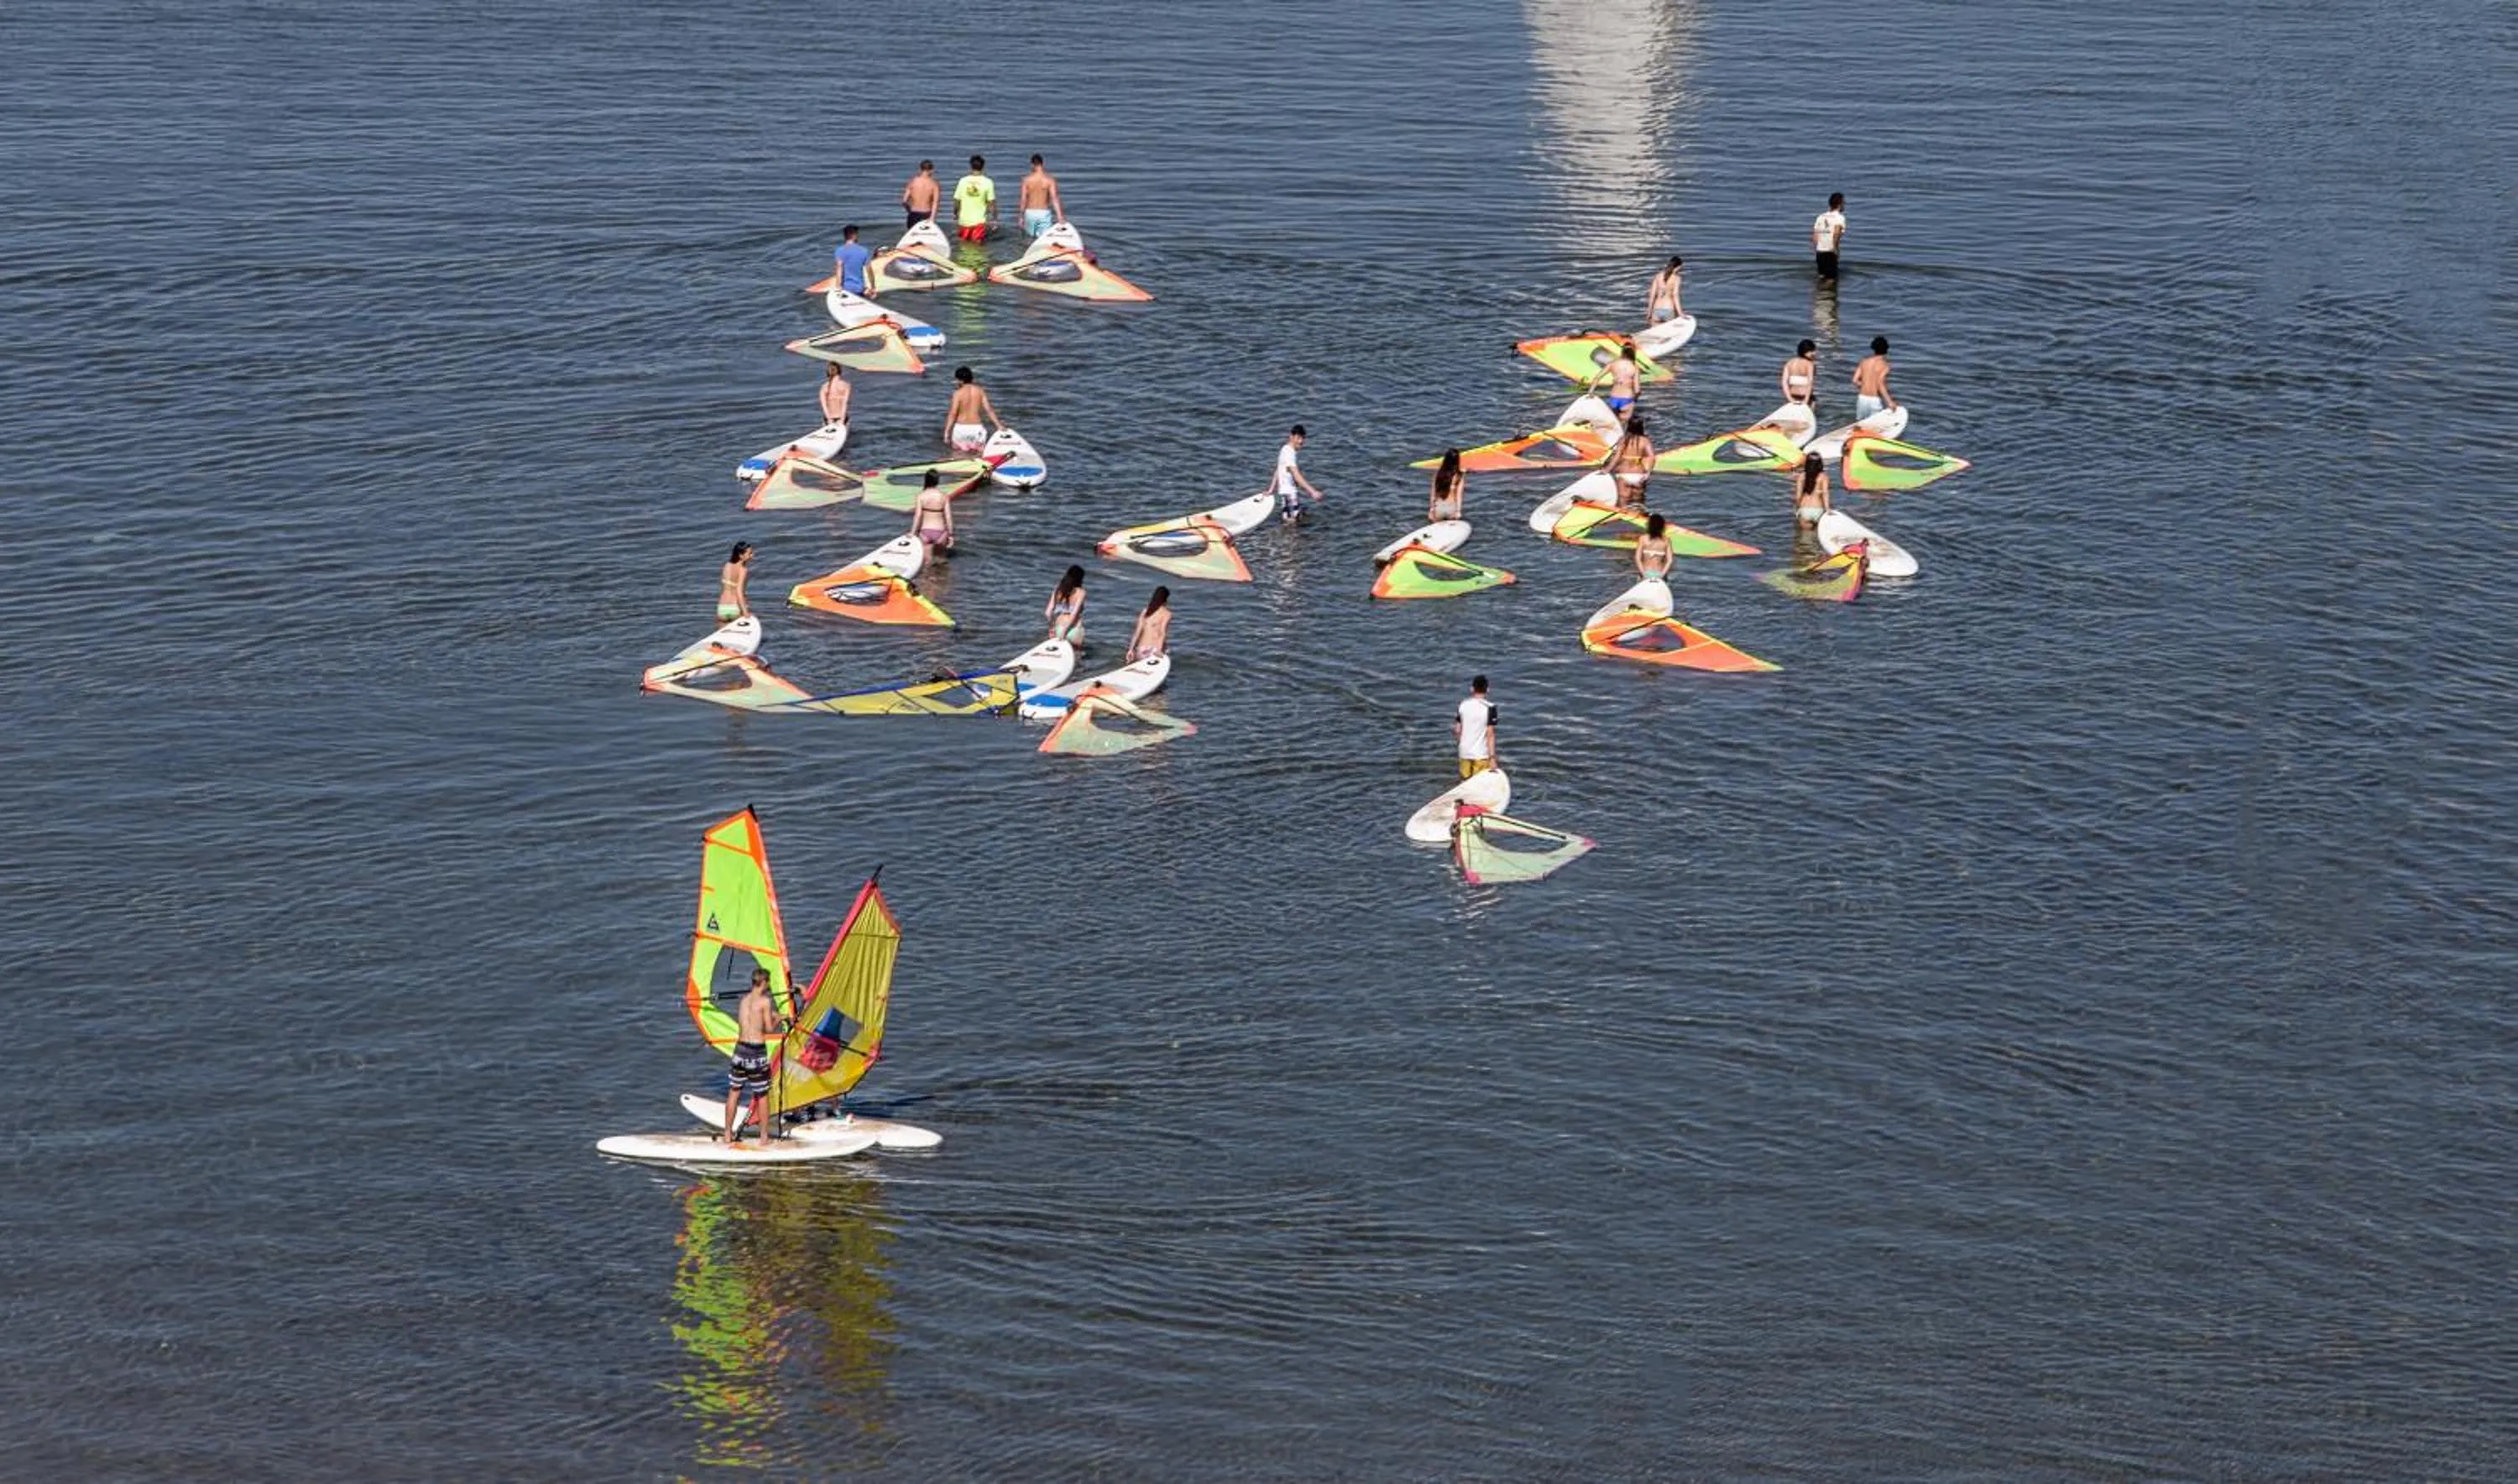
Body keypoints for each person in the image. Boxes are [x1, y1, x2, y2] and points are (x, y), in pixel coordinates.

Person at [720, 967, 787, 1147]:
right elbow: (768, 1028)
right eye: (769, 983)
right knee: (762, 1095)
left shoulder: (744, 1001)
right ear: (764, 982)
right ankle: (764, 1138)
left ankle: (727, 1134)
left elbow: (751, 1019)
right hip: (756, 1053)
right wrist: (779, 1018)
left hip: (739, 1051)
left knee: (734, 1092)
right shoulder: (765, 1001)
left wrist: (770, 1014)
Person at [1268, 425, 1324, 523]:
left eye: (1303, 438)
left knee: (1291, 523)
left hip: (1286, 493)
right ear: (1291, 437)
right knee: (1292, 526)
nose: (1301, 441)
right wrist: (1312, 492)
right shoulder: (1289, 452)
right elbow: (1296, 474)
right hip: (1290, 493)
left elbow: (1278, 470)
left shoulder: (1284, 449)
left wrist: (1271, 490)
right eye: (1298, 438)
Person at [943, 365, 1000, 452]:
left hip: (961, 429)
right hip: (976, 429)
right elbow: (989, 410)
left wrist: (947, 432)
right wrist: (999, 426)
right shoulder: (980, 391)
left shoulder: (958, 394)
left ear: (960, 380)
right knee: (979, 456)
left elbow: (953, 414)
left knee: (959, 455)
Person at [1605, 413, 1654, 512]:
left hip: (1623, 474)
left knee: (1623, 504)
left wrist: (1607, 470)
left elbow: (1617, 457)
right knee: (1639, 505)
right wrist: (1648, 473)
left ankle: (1624, 524)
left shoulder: (1623, 440)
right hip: (1639, 474)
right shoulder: (1645, 441)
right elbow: (1652, 457)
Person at [1454, 676, 1497, 779]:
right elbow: (1490, 734)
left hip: (1464, 752)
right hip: (1480, 754)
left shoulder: (1463, 705)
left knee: (1465, 783)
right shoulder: (1490, 708)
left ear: (1472, 689)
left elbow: (1457, 730)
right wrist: (1492, 758)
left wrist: (1462, 744)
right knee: (1480, 784)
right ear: (1487, 690)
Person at [1852, 336, 1898, 419]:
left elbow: (1855, 380)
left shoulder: (1864, 362)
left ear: (1873, 348)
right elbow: (1880, 383)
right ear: (1886, 349)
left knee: (1861, 424)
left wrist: (1865, 385)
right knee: (1876, 426)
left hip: (1862, 398)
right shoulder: (1885, 365)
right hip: (1874, 400)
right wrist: (1890, 402)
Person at [953, 154, 996, 243]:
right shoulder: (988, 182)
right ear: (983, 167)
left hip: (964, 220)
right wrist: (994, 219)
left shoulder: (963, 181)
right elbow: (992, 203)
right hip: (979, 221)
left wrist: (955, 213)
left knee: (963, 243)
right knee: (977, 244)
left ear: (971, 166)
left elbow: (957, 200)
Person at [1019, 154, 1064, 238]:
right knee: (1044, 239)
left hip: (1030, 213)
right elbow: (1054, 198)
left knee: (1028, 239)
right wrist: (1060, 216)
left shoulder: (1026, 180)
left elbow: (1023, 199)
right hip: (1044, 213)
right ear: (1043, 164)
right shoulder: (1050, 180)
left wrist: (1021, 216)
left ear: (1032, 165)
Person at [1595, 337, 1643, 417]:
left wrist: (1590, 393)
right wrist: (1635, 400)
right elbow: (1637, 390)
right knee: (1624, 424)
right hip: (1627, 398)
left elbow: (1597, 378)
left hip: (1614, 398)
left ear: (1622, 352)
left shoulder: (1612, 364)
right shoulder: (1635, 368)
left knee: (1614, 423)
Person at [910, 469, 954, 553]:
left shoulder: (920, 496)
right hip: (940, 533)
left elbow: (918, 516)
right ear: (937, 481)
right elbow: (948, 517)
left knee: (926, 562)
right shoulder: (944, 496)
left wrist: (912, 533)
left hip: (924, 533)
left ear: (926, 480)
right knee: (940, 562)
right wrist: (951, 535)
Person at [1126, 586, 1171, 661]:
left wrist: (1130, 650)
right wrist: (1159, 651)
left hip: (1141, 651)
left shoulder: (1145, 611)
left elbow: (1137, 632)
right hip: (1154, 650)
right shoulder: (1166, 613)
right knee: (1168, 650)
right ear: (1165, 599)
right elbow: (1162, 633)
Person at [1045, 565, 1087, 645]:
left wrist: (1052, 628)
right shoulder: (1081, 592)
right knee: (1076, 656)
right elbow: (1073, 615)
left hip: (1058, 629)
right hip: (1073, 629)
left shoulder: (1058, 590)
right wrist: (1065, 632)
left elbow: (1048, 612)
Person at [1812, 191, 1847, 279]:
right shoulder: (1839, 218)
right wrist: (1836, 250)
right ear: (1840, 204)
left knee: (1821, 276)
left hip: (1820, 251)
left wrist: (1817, 250)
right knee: (1831, 279)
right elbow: (1836, 233)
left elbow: (1815, 237)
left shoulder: (1821, 217)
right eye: (1844, 203)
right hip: (1830, 251)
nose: (1844, 205)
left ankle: (1818, 291)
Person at [1791, 452, 1831, 529]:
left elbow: (1798, 497)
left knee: (1804, 538)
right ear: (1820, 464)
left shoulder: (1801, 476)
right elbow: (1825, 494)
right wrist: (1827, 510)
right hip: (1818, 510)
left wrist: (1797, 509)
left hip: (1804, 510)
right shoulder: (1823, 477)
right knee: (1817, 536)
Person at [831, 224, 872, 297]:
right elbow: (869, 270)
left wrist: (838, 287)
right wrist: (873, 287)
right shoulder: (863, 251)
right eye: (857, 234)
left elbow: (839, 270)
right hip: (859, 289)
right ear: (854, 235)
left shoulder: (840, 251)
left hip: (846, 289)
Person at [718, 542, 755, 621]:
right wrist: (745, 612)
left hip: (722, 608)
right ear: (741, 556)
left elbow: (724, 586)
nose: (752, 555)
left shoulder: (727, 565)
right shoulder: (743, 570)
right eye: (750, 553)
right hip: (735, 607)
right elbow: (739, 591)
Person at [1427, 449, 1465, 523]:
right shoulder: (1459, 476)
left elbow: (1433, 494)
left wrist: (1431, 510)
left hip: (1438, 509)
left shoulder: (1438, 474)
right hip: (1451, 509)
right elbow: (1459, 496)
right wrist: (1458, 511)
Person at [901, 161, 940, 228]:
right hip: (926, 214)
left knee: (913, 235)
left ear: (920, 169)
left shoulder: (913, 182)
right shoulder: (934, 184)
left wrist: (909, 211)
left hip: (913, 214)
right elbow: (935, 203)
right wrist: (932, 218)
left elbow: (904, 201)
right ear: (931, 170)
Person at [1635, 513, 1674, 579]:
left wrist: (1643, 575)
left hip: (1645, 572)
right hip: (1660, 573)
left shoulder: (1643, 539)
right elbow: (1670, 560)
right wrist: (1662, 575)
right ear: (1662, 526)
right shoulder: (1666, 540)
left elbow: (1637, 558)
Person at [1646, 257, 1685, 322]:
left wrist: (1649, 312)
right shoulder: (1677, 279)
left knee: (1654, 332)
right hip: (1669, 309)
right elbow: (1675, 295)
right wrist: (1680, 313)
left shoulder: (1658, 276)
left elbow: (1652, 295)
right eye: (1681, 267)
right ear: (1677, 267)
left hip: (1656, 309)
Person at [1780, 339, 1817, 407]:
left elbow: (1784, 383)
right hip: (1806, 398)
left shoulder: (1789, 363)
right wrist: (1806, 400)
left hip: (1792, 397)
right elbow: (1810, 382)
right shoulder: (1810, 364)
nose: (1814, 353)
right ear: (1806, 352)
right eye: (1812, 351)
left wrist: (1790, 399)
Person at [818, 362, 850, 427]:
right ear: (840, 371)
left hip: (828, 419)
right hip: (842, 418)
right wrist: (842, 420)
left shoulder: (824, 387)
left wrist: (829, 420)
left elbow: (824, 405)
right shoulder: (846, 385)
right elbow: (845, 403)